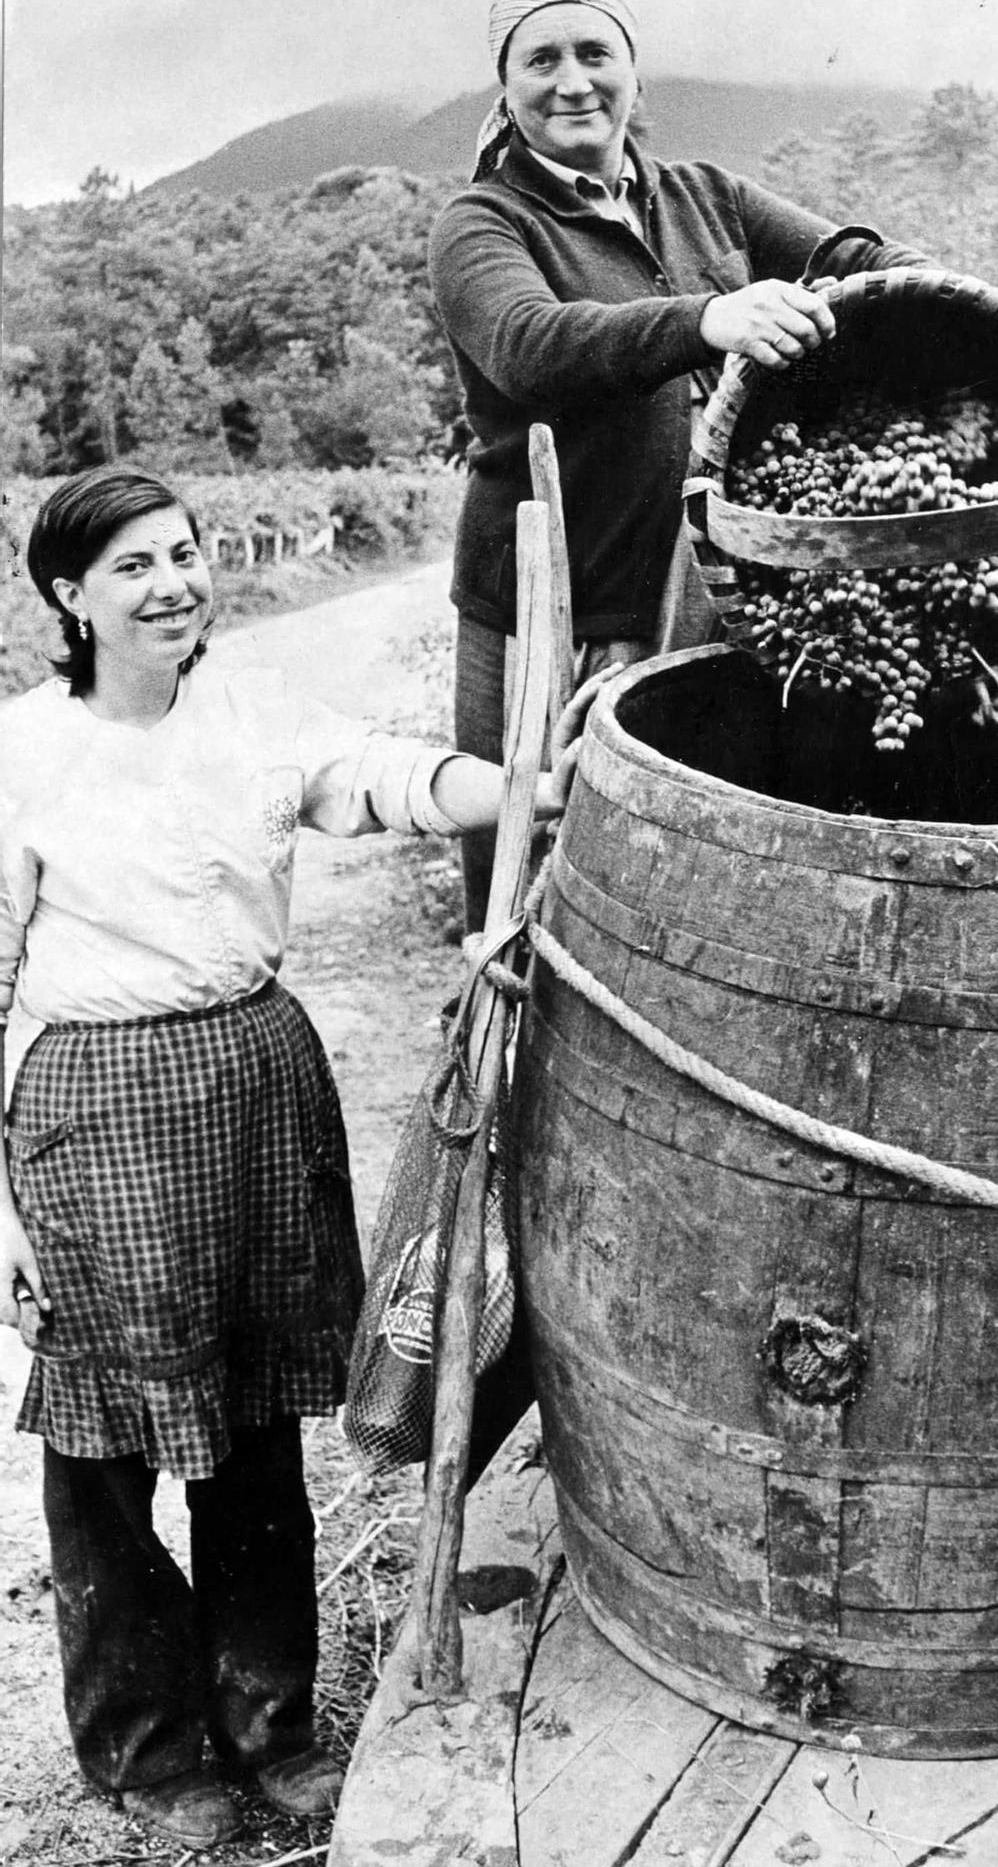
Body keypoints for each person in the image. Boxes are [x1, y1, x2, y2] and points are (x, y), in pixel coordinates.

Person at [0, 466, 601, 1851]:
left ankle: (267, 1724)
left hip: (260, 1087)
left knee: (258, 1421)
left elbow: (371, 776)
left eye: (186, 553)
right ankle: (148, 1753)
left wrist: (504, 786)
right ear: (68, 597)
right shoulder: (26, 754)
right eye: (134, 567)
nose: (174, 585)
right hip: (98, 1104)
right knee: (108, 1441)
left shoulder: (247, 707)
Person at [430, 0, 929, 930]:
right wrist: (709, 318)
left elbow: (853, 255)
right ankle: (499, 1065)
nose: (572, 82)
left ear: (630, 70)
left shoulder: (704, 196)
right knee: (525, 873)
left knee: (668, 878)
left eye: (592, 53)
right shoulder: (482, 224)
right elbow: (529, 344)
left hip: (705, 599)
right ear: (506, 86)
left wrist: (927, 290)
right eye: (541, 60)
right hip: (551, 606)